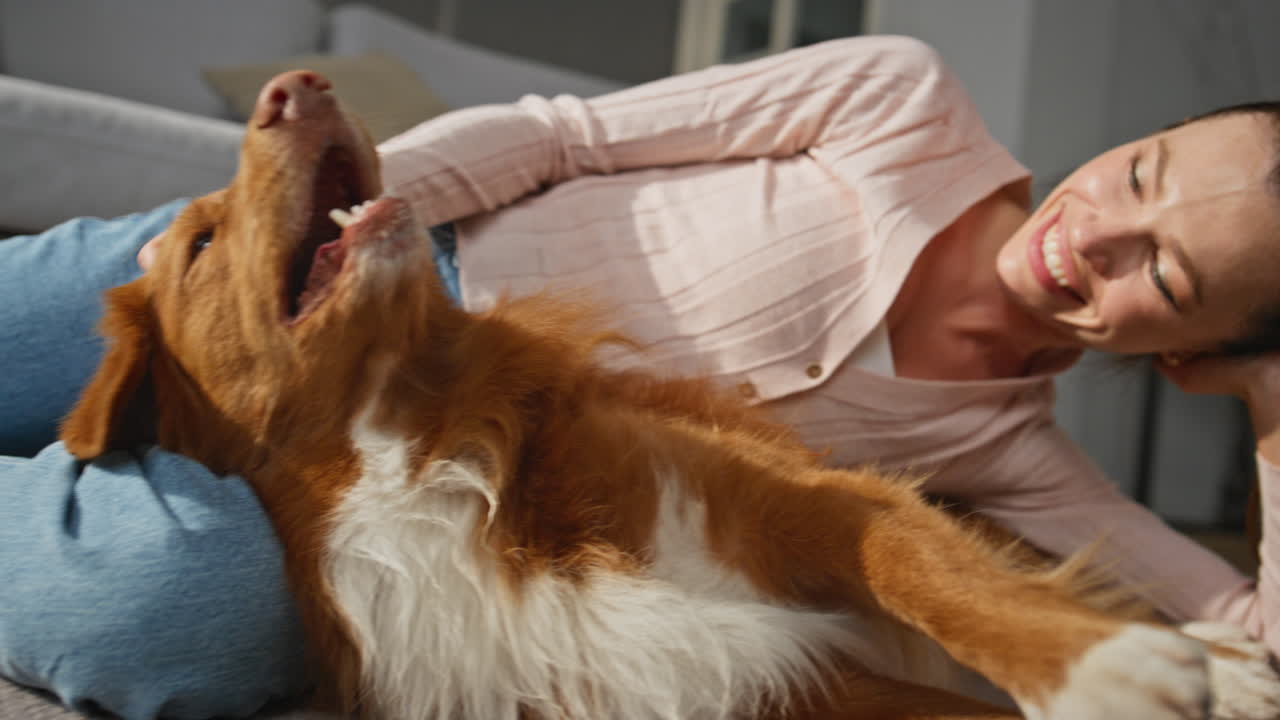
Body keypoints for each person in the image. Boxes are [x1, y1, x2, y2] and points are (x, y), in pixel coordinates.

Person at [2, 33, 1279, 719]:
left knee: (167, 608)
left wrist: (1272, 408)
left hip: (427, 469)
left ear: (1184, 355)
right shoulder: (900, 100)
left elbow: (1248, 631)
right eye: (1143, 172)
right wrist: (356, 231)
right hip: (351, 269)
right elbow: (567, 135)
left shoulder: (1013, 455)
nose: (1092, 233)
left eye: (1159, 275)